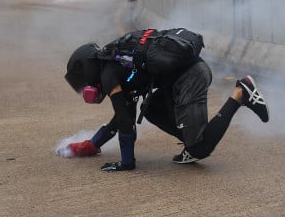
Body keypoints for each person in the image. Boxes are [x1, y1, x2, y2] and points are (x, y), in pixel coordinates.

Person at [61, 32, 270, 172]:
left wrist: (126, 163)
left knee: (201, 149)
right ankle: (192, 140)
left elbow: (125, 120)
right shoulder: (115, 62)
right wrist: (93, 144)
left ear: (87, 68)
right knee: (150, 108)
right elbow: (123, 116)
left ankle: (241, 93)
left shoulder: (108, 75)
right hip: (182, 78)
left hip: (190, 77)